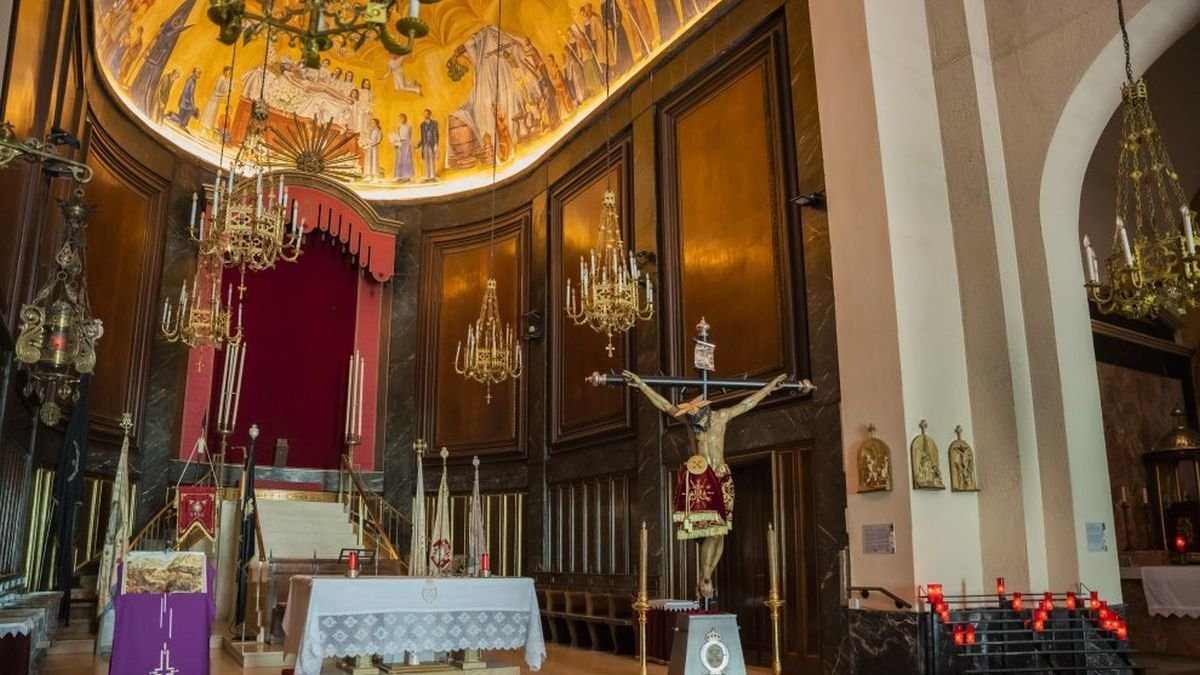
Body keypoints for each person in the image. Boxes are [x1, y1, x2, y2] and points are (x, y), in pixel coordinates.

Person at [622, 370, 787, 599]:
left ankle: (706, 576)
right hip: (701, 480)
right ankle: (705, 577)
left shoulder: (722, 417)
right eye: (693, 424)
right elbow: (663, 404)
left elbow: (748, 403)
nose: (696, 428)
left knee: (720, 533)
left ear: (707, 412)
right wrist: (640, 384)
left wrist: (769, 388)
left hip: (720, 477)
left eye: (699, 424)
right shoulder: (689, 422)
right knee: (710, 531)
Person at [200, 65, 232, 136]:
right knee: (209, 114)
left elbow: (221, 89)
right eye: (229, 71)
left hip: (216, 100)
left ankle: (205, 130)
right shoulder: (221, 78)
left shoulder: (224, 79)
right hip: (213, 99)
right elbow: (216, 91)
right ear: (225, 71)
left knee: (212, 114)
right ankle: (204, 130)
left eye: (230, 72)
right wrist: (225, 93)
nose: (229, 73)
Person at [416, 109, 439, 182]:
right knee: (426, 160)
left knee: (432, 159)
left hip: (431, 144)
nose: (425, 115)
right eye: (424, 114)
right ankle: (427, 176)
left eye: (426, 114)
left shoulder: (434, 123)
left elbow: (436, 135)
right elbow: (422, 136)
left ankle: (432, 176)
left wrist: (436, 144)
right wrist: (418, 144)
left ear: (430, 114)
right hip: (425, 144)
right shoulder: (422, 125)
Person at [391, 113, 414, 182]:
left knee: (406, 159)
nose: (400, 120)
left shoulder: (409, 126)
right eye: (399, 118)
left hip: (406, 143)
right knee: (399, 159)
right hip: (400, 143)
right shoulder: (399, 127)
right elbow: (397, 136)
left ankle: (407, 176)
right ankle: (399, 176)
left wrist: (409, 143)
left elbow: (410, 136)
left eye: (402, 118)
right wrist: (395, 143)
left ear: (405, 118)